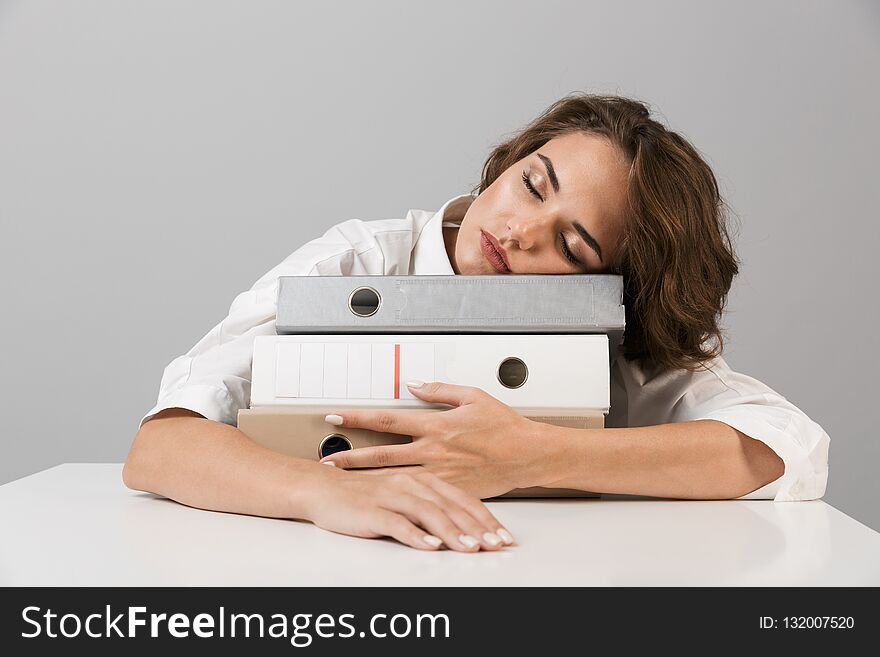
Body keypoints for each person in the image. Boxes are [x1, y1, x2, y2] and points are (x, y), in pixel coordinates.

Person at [124, 93, 830, 550]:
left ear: (611, 286)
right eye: (532, 184)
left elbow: (783, 445)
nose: (520, 230)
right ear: (512, 160)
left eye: (573, 244)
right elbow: (161, 446)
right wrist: (322, 492)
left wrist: (537, 451)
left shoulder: (611, 336)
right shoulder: (361, 260)